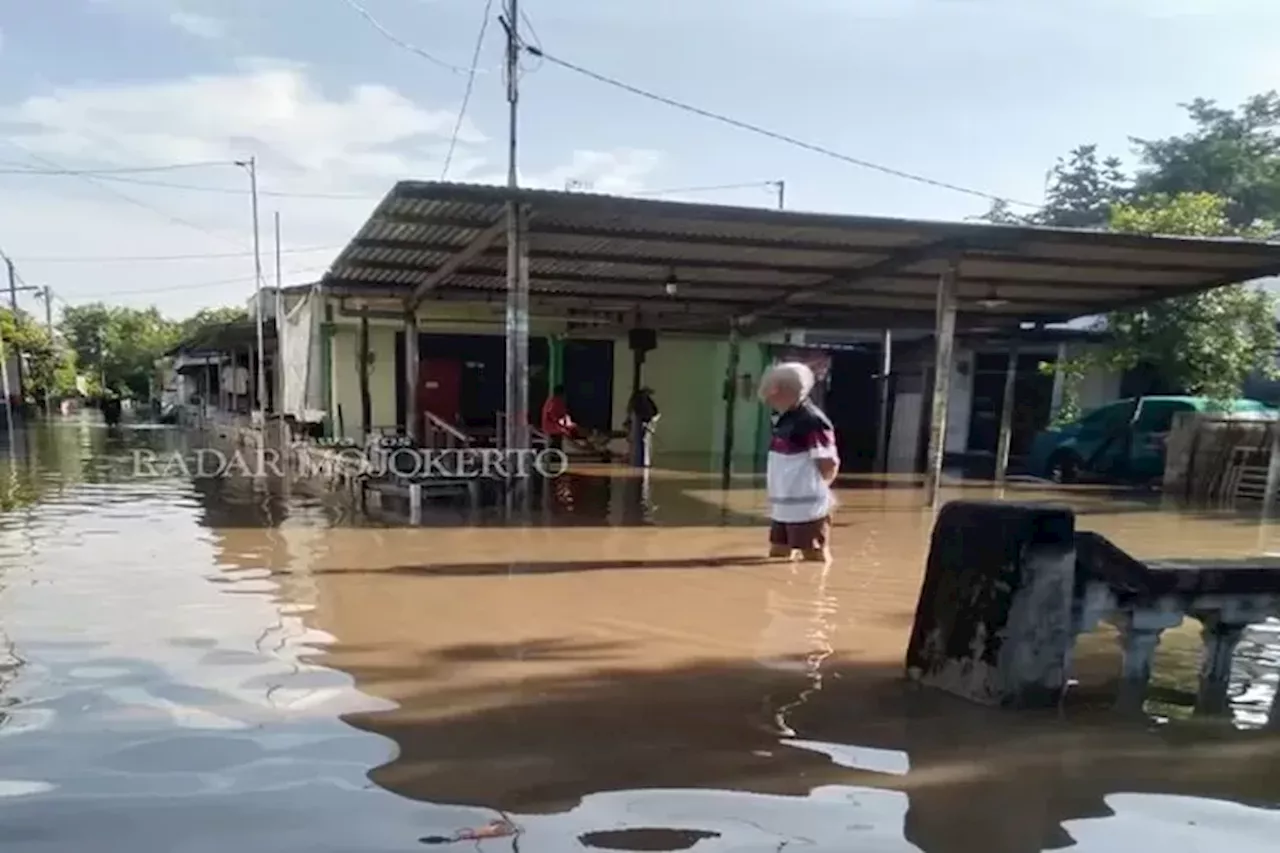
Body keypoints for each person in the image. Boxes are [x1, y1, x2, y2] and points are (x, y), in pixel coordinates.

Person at [760, 362, 838, 563]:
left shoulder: (813, 421)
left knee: (813, 555)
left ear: (787, 391)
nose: (768, 398)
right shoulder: (783, 417)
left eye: (773, 392)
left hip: (806, 506)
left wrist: (820, 491)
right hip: (783, 504)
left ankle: (815, 592)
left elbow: (828, 462)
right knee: (777, 552)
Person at [625, 387, 660, 468]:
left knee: (645, 441)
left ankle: (643, 461)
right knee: (642, 441)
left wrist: (650, 423)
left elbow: (654, 414)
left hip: (647, 421)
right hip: (644, 421)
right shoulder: (640, 402)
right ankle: (640, 461)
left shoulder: (643, 403)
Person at [540, 385, 575, 450]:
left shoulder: (553, 401)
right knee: (557, 446)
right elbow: (553, 415)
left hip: (554, 428)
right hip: (553, 429)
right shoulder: (555, 401)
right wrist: (564, 426)